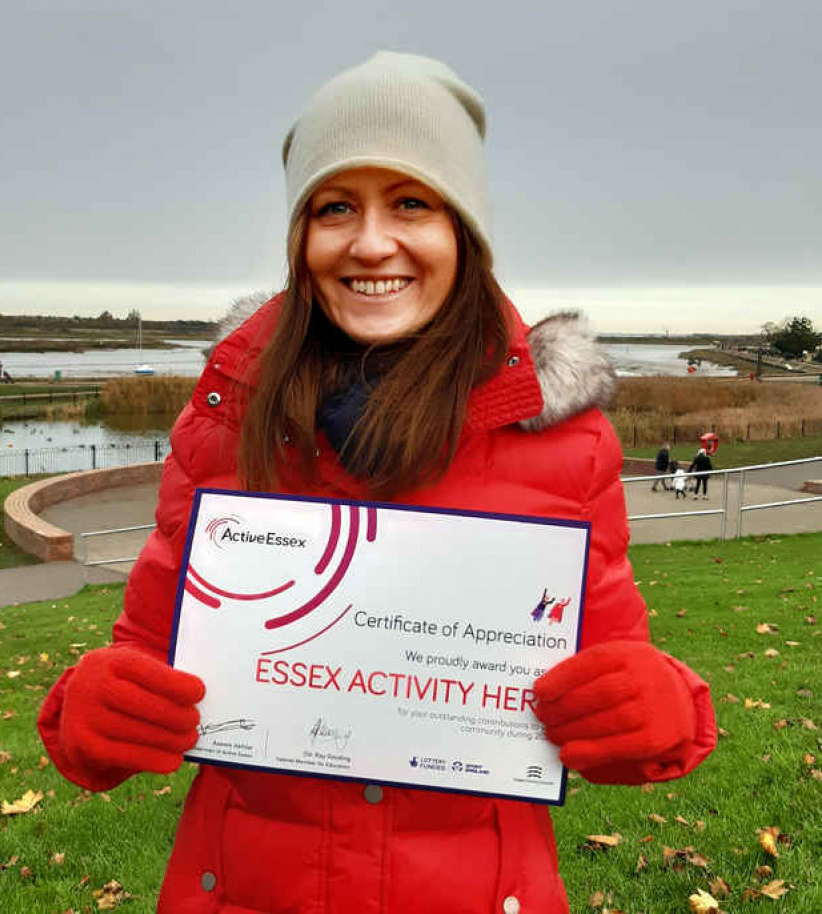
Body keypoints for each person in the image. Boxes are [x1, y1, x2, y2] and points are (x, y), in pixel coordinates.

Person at [38, 52, 716, 913]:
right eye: (333, 207)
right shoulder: (224, 421)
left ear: (462, 230)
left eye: (411, 202)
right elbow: (142, 663)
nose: (368, 242)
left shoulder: (563, 439)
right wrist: (92, 713)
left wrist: (661, 710)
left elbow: (613, 701)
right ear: (299, 237)